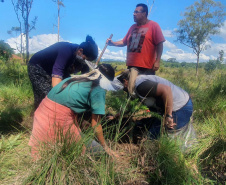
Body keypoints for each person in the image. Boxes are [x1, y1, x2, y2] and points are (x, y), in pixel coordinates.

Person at [28, 64, 118, 159]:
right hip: (58, 118)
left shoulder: (74, 79)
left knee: (50, 146)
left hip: (41, 113)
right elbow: (96, 125)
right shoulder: (99, 89)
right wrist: (106, 147)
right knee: (98, 151)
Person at [117, 70, 196, 150]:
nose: (123, 89)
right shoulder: (135, 84)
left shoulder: (141, 86)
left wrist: (168, 116)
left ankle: (179, 154)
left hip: (180, 108)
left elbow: (166, 90)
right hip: (175, 106)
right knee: (150, 130)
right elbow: (130, 105)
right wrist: (117, 115)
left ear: (125, 81)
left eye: (122, 86)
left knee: (156, 139)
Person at [28, 35, 98, 110]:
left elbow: (84, 80)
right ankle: (40, 115)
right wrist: (61, 98)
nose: (86, 62)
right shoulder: (66, 50)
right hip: (37, 66)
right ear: (80, 51)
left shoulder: (83, 59)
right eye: (85, 59)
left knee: (69, 87)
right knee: (48, 96)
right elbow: (57, 75)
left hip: (52, 68)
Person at [107, 3, 165, 75]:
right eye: (134, 12)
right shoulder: (132, 27)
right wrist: (112, 43)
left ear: (144, 14)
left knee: (144, 86)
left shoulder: (154, 25)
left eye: (136, 12)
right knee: (129, 85)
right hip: (131, 66)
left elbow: (160, 43)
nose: (134, 14)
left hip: (146, 68)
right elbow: (124, 42)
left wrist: (157, 61)